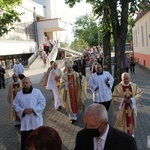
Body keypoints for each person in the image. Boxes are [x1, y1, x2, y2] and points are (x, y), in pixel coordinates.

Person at [13, 77, 46, 150]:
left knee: (38, 140)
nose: (25, 84)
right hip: (25, 122)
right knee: (26, 141)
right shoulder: (19, 94)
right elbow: (15, 104)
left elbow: (43, 103)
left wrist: (34, 110)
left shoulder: (37, 92)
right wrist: (23, 111)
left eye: (26, 83)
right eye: (23, 83)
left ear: (30, 83)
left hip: (36, 121)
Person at [60, 59, 87, 123]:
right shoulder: (64, 76)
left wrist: (81, 78)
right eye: (67, 68)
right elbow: (62, 84)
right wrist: (66, 84)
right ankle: (71, 116)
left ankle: (74, 116)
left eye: (70, 67)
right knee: (69, 104)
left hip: (75, 91)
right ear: (66, 68)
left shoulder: (76, 74)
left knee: (75, 103)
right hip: (68, 93)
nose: (69, 69)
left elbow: (81, 80)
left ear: (72, 67)